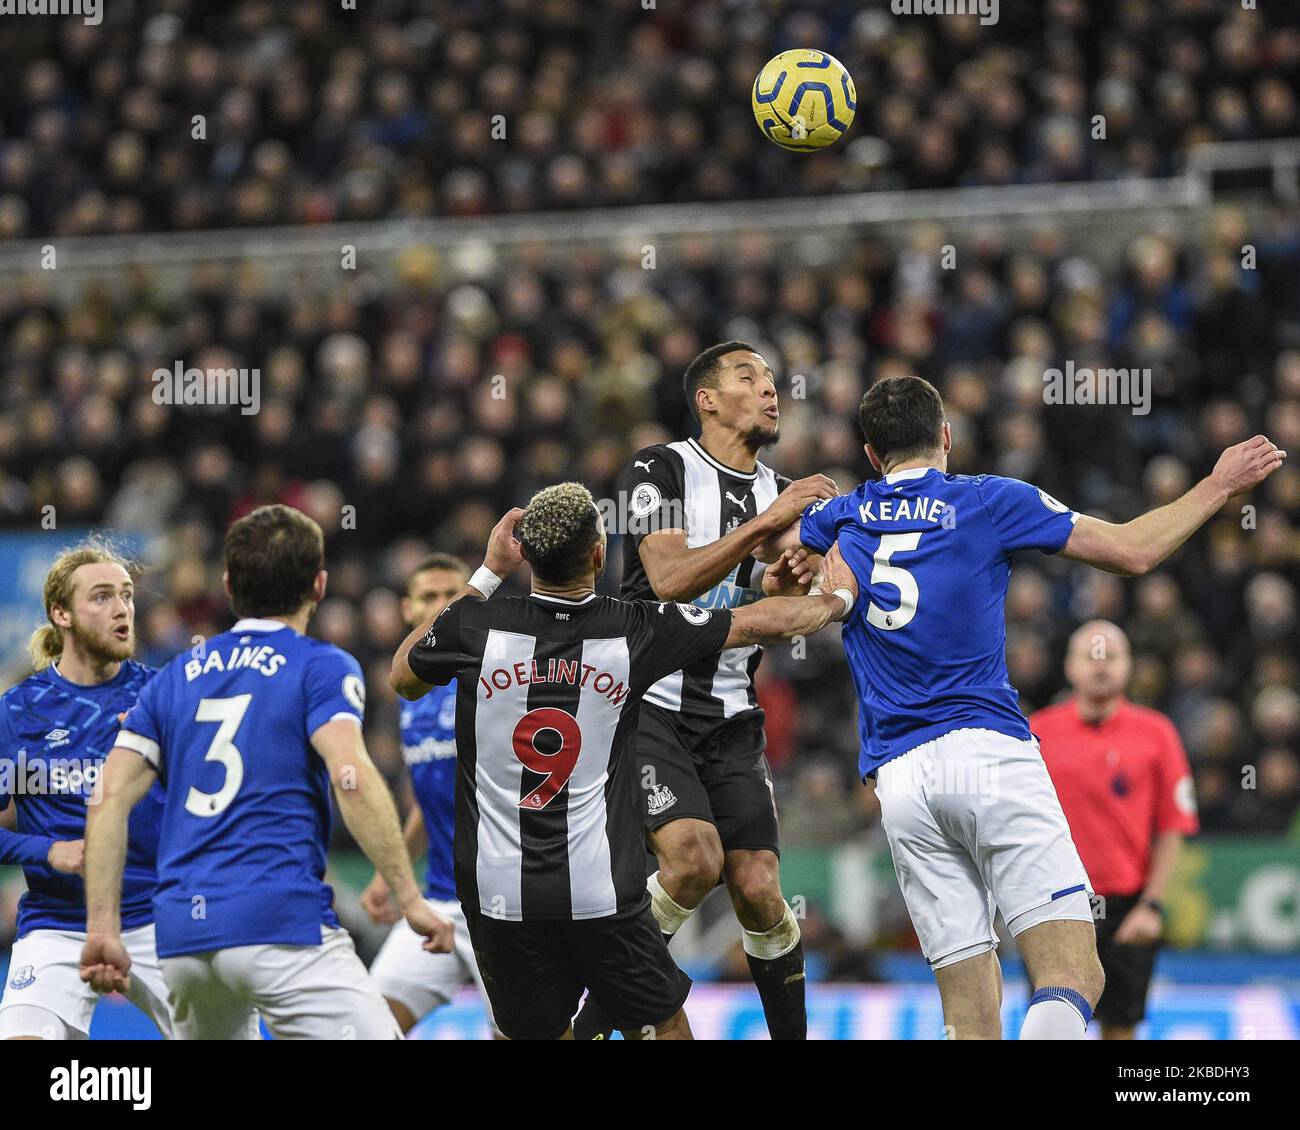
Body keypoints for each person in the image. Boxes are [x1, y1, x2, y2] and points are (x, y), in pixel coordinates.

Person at [764, 374, 1284, 1039]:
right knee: (1075, 973)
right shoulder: (989, 500)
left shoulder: (839, 516)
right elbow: (1134, 551)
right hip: (986, 751)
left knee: (970, 1016)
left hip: (899, 781)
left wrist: (783, 563)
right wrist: (1219, 485)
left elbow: (778, 569)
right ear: (946, 436)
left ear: (869, 456)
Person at [389, 483, 855, 1040]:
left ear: (525, 557)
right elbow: (760, 623)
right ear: (598, 553)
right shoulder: (634, 628)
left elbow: (403, 675)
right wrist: (835, 600)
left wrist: (487, 573)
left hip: (497, 894)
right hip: (598, 892)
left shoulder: (474, 627)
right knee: (664, 1025)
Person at [79, 504, 454, 1040]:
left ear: (229, 584)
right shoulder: (320, 666)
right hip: (280, 926)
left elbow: (108, 798)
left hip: (184, 938)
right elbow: (351, 774)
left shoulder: (171, 678)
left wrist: (101, 927)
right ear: (319, 586)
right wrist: (409, 895)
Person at [575, 341, 839, 1040]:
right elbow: (667, 581)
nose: (769, 390)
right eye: (748, 378)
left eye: (774, 381)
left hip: (731, 715)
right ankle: (591, 1024)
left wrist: (782, 583)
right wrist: (764, 525)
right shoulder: (655, 468)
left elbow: (751, 602)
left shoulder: (770, 493)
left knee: (758, 891)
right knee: (693, 860)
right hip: (648, 705)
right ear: (708, 399)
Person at [0, 542, 173, 1040]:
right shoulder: (18, 712)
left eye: (126, 595)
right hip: (57, 923)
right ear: (61, 613)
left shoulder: (163, 697)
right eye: (101, 597)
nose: (122, 609)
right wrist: (47, 850)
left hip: (159, 916)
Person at [1033, 621, 1199, 1039]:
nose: (1101, 665)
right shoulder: (1035, 733)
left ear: (1129, 667)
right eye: (1091, 655)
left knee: (1120, 1026)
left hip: (1126, 907)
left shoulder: (1157, 733)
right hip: (1055, 903)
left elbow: (1172, 825)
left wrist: (1152, 905)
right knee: (1054, 1023)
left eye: (1111, 656)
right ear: (1070, 667)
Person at [360, 553, 499, 1037]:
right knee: (366, 1026)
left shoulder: (490, 678)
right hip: (439, 899)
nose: (442, 606)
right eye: (429, 597)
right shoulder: (410, 697)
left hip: (500, 902)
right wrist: (390, 872)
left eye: (451, 594)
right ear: (407, 609)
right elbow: (430, 798)